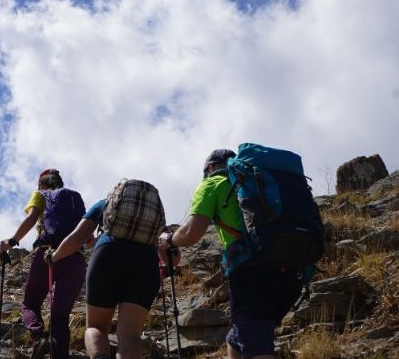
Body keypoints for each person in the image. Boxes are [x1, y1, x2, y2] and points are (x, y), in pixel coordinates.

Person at [157, 149, 304, 359]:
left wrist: (170, 240)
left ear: (209, 167)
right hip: (292, 271)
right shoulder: (257, 181)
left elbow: (191, 233)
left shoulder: (213, 183)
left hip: (252, 271)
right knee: (238, 337)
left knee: (256, 346)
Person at [48, 184, 167, 359]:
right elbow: (172, 257)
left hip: (107, 255)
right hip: (146, 261)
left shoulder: (104, 204)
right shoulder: (152, 216)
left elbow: (77, 238)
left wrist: (54, 257)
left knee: (96, 327)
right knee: (130, 335)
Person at [0, 169, 86, 359]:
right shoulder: (75, 198)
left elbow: (32, 218)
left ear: (43, 184)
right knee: (60, 315)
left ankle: (38, 337)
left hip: (47, 253)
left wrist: (12, 242)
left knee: (30, 304)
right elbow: (86, 233)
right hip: (76, 258)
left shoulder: (40, 194)